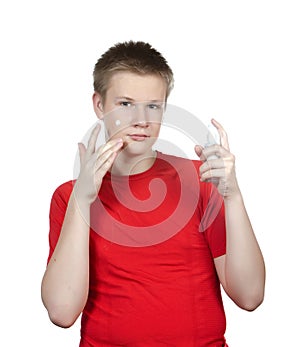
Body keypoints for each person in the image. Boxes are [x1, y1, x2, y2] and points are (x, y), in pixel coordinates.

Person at [41, 41, 265, 347]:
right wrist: (83, 200)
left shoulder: (200, 181)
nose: (141, 120)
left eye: (153, 105)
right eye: (125, 104)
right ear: (99, 104)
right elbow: (62, 312)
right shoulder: (68, 196)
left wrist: (234, 197)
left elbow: (250, 296)